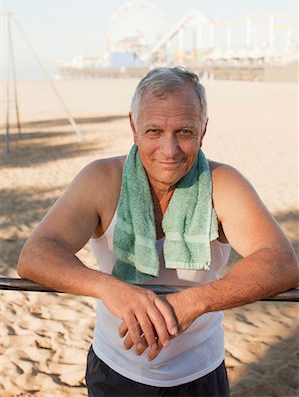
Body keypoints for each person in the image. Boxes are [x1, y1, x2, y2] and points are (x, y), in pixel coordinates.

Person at [17, 67, 299, 397]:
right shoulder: (102, 178)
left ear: (203, 130)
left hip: (200, 373)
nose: (170, 150)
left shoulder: (224, 184)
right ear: (133, 127)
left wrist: (194, 302)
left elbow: (281, 262)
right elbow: (35, 255)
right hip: (115, 369)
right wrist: (110, 289)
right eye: (154, 131)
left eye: (184, 132)